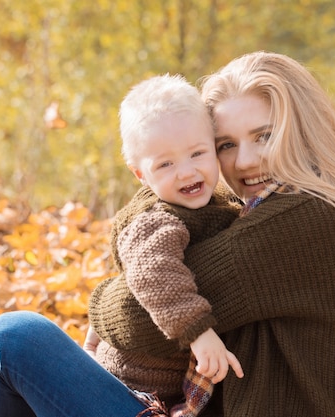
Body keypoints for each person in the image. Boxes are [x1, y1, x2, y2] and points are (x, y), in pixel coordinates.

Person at [0, 51, 335, 417]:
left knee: (13, 337)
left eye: (264, 136)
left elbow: (141, 320)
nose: (245, 162)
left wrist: (101, 298)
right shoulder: (319, 206)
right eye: (227, 145)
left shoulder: (305, 221)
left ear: (303, 130)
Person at [83, 73, 243, 416]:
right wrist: (198, 332)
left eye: (197, 153)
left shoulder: (218, 203)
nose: (186, 172)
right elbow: (153, 271)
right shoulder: (156, 217)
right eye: (165, 164)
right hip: (131, 383)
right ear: (140, 174)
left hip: (164, 385)